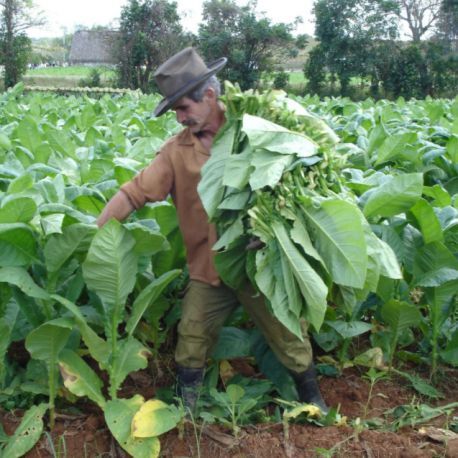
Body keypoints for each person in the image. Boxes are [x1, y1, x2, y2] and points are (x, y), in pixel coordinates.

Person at [97, 47, 328, 413]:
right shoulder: (176, 151)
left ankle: (314, 402)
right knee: (192, 333)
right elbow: (135, 193)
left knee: (289, 334)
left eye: (183, 108)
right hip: (210, 265)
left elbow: (299, 189)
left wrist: (273, 231)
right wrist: (96, 232)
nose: (179, 117)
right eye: (174, 110)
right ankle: (186, 409)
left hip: (259, 263)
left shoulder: (257, 132)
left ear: (209, 95)